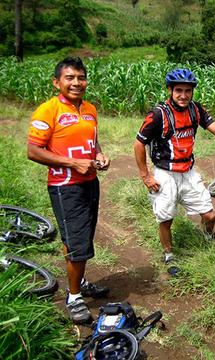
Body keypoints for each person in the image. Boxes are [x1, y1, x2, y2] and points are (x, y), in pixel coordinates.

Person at [133, 68, 215, 263]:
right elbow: (139, 143)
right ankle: (169, 255)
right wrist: (146, 176)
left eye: (188, 91)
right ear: (170, 90)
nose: (183, 96)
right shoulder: (158, 115)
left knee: (210, 216)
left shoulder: (195, 109)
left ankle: (208, 237)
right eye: (179, 91)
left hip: (188, 171)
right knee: (166, 219)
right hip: (165, 173)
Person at [27, 57, 110, 324]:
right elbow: (33, 151)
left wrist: (100, 155)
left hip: (90, 183)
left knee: (80, 238)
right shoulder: (47, 111)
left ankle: (80, 281)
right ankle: (74, 297)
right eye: (70, 78)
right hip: (65, 187)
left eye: (81, 77)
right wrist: (73, 162)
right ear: (57, 82)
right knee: (78, 244)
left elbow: (93, 142)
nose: (77, 83)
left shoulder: (90, 109)